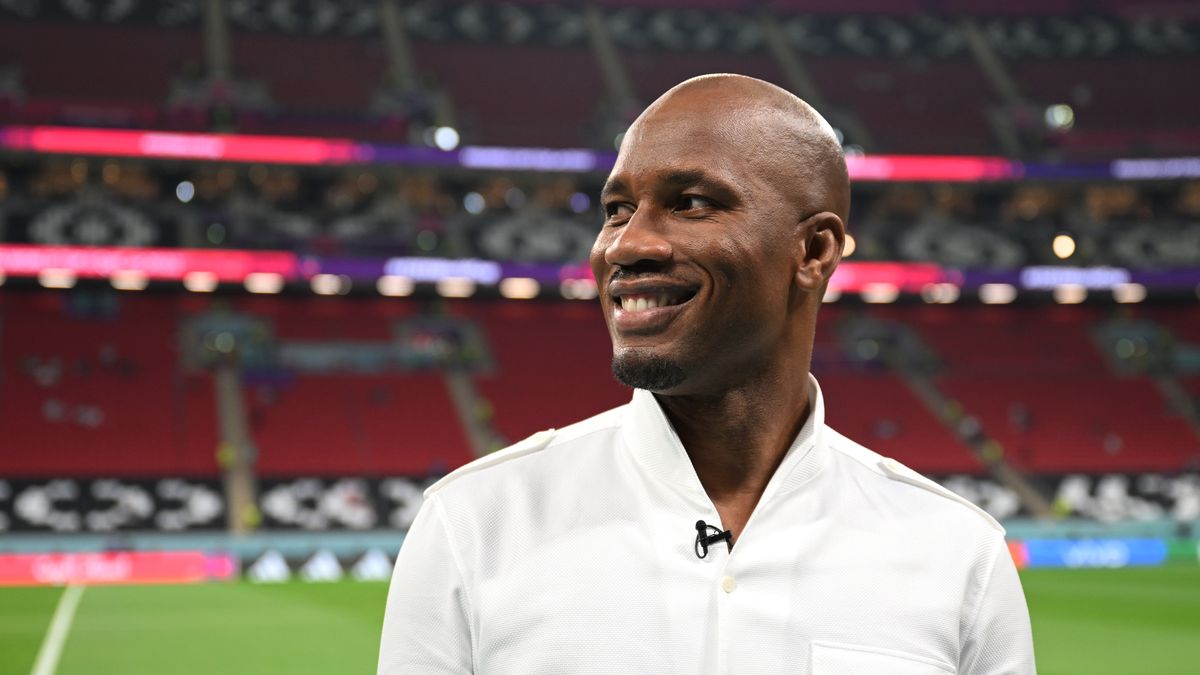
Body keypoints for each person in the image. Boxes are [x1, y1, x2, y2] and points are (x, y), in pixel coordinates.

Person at [379, 74, 1035, 674]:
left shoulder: (958, 556)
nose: (625, 245)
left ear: (813, 250)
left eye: (689, 202)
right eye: (615, 209)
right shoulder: (473, 525)